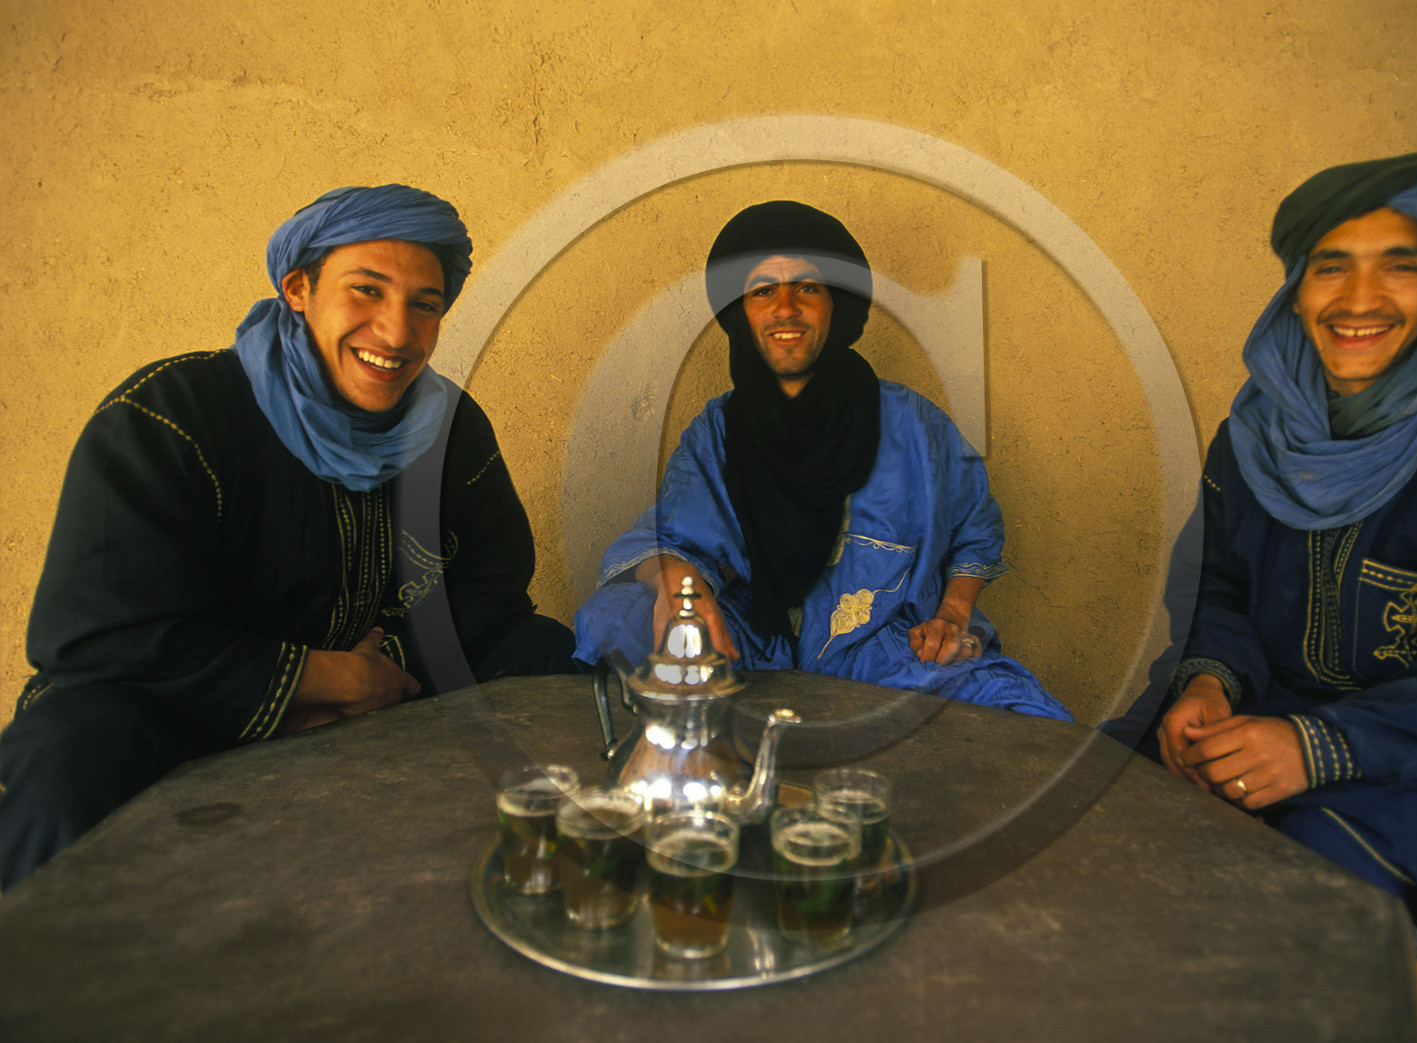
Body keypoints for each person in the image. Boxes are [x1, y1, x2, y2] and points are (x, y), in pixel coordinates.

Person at [0, 184, 577, 889]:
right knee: (72, 755)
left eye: (424, 303)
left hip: (392, 691)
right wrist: (319, 677)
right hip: (181, 710)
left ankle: (564, 888)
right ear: (297, 287)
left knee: (545, 655)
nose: (396, 332)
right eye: (367, 290)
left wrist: (382, 672)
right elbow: (94, 635)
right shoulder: (173, 417)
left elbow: (492, 589)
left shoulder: (449, 428)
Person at [1146, 154, 1417, 940]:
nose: (1359, 300)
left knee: (1311, 883)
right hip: (1266, 721)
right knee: (1096, 805)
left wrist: (1321, 747)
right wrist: (1208, 685)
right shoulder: (1254, 441)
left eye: (1401, 266)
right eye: (1330, 268)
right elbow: (1219, 591)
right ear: (1297, 289)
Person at [574, 201, 1070, 721]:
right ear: (741, 313)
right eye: (763, 290)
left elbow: (975, 527)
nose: (785, 308)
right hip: (744, 643)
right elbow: (672, 538)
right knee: (616, 617)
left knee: (1023, 712)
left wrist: (953, 612)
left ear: (838, 307)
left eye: (807, 288)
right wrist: (680, 589)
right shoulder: (718, 431)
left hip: (883, 647)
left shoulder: (913, 424)